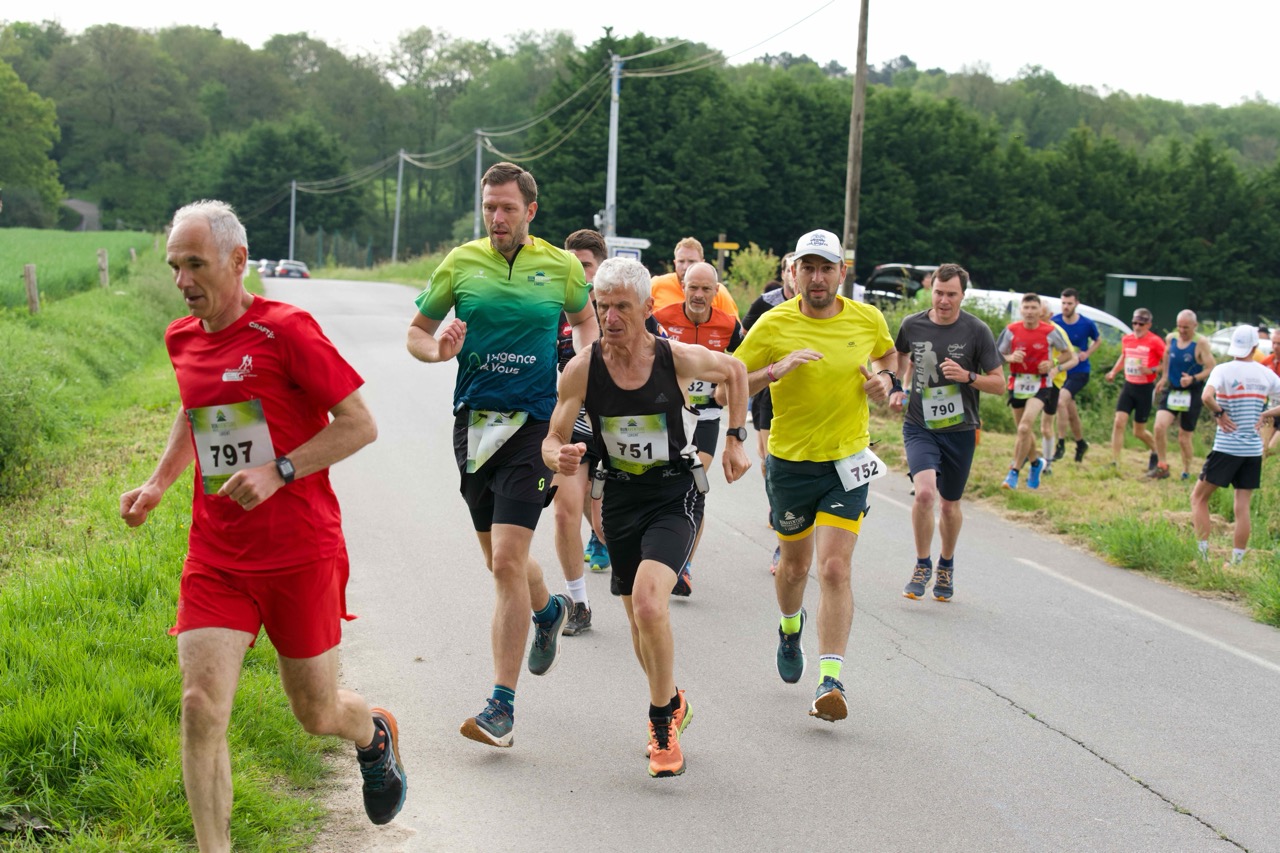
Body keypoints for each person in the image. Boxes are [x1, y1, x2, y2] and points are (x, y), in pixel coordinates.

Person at [119, 200, 405, 852]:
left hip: (299, 550)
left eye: (196, 264)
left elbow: (360, 425)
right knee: (200, 706)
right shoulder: (182, 337)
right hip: (217, 555)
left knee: (316, 711)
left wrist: (281, 469)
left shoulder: (286, 330)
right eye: (174, 266)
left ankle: (373, 733)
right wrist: (159, 483)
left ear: (237, 260)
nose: (183, 280)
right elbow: (195, 409)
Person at [406, 162, 597, 748]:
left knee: (509, 561)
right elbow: (417, 332)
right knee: (500, 563)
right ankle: (547, 612)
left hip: (536, 427)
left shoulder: (561, 266)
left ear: (530, 211)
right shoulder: (460, 262)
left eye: (507, 207)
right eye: (489, 206)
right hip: (475, 426)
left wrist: (578, 372)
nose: (496, 217)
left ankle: (501, 707)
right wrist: (438, 351)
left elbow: (586, 324)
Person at [544, 257, 750, 777]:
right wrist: (557, 456)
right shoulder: (582, 368)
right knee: (638, 622)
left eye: (622, 307)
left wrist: (735, 438)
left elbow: (735, 370)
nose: (610, 318)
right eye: (602, 307)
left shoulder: (673, 357)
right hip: (619, 497)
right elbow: (553, 436)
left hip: (674, 493)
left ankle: (661, 725)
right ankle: (672, 700)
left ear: (646, 307)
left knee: (650, 603)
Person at [732, 229, 897, 723]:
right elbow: (728, 386)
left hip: (847, 462)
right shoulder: (773, 323)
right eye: (808, 267)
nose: (818, 277)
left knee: (834, 569)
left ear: (842, 273)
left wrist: (886, 379)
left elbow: (887, 355)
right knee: (794, 568)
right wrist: (774, 371)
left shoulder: (867, 318)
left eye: (827, 268)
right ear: (794, 272)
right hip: (790, 464)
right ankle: (789, 627)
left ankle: (830, 680)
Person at [890, 264, 1005, 601]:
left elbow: (999, 384)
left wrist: (969, 377)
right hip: (919, 425)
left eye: (951, 295)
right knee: (925, 494)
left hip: (960, 429)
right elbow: (899, 354)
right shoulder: (912, 324)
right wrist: (897, 387)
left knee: (950, 505)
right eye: (938, 293)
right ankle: (922, 564)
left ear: (962, 295)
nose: (943, 300)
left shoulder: (977, 330)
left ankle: (946, 564)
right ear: (931, 290)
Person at [652, 261, 745, 595]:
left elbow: (743, 369)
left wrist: (735, 426)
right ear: (683, 287)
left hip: (706, 417)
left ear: (716, 292)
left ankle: (684, 565)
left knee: (693, 483)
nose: (699, 295)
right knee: (660, 485)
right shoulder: (662, 318)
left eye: (706, 289)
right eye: (693, 287)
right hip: (668, 416)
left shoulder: (729, 325)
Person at [551, 229, 609, 634]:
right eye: (570, 265)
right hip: (573, 427)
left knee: (605, 523)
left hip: (619, 431)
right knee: (563, 512)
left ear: (600, 268)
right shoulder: (554, 312)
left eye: (585, 265)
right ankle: (579, 604)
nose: (578, 273)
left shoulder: (625, 305)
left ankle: (641, 589)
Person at [1191, 326, 1280, 567]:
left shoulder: (1222, 370)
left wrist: (1219, 412)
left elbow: (1206, 397)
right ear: (1254, 347)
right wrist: (1266, 413)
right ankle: (1236, 562)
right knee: (1242, 507)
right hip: (1252, 450)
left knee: (1198, 498)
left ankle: (1203, 558)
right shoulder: (1265, 373)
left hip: (1227, 447)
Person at [742, 253, 796, 572]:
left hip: (800, 396)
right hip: (768, 389)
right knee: (768, 458)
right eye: (790, 269)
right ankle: (777, 504)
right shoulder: (766, 303)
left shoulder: (822, 309)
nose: (794, 274)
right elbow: (745, 337)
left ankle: (784, 523)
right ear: (786, 272)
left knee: (785, 461)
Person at [996, 294, 1075, 490]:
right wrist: (1010, 358)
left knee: (1024, 428)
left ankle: (1014, 472)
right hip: (1017, 383)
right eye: (1026, 308)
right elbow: (995, 355)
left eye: (1034, 308)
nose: (1030, 312)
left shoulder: (1050, 331)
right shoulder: (1011, 330)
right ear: (1021, 310)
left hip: (1041, 384)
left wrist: (1053, 362)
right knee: (1023, 430)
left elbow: (1067, 354)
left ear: (1041, 311)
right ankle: (1035, 463)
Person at [1150, 310, 1215, 480]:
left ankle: (1186, 471)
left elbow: (1211, 367)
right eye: (1179, 326)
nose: (1182, 331)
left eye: (1186, 327)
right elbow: (1166, 357)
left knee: (1183, 437)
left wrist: (1193, 378)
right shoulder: (1171, 339)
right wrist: (1164, 377)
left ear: (1195, 326)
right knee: (1159, 427)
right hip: (1173, 389)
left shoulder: (1201, 343)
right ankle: (1162, 466)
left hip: (1192, 392)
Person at [1105, 307, 1165, 472]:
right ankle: (1115, 461)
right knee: (1119, 422)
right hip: (1129, 385)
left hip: (1145, 388)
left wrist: (1152, 370)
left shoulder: (1155, 341)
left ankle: (1156, 450)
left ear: (1149, 325)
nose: (1137, 327)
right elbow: (1124, 356)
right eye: (1134, 323)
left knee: (1139, 432)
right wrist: (1113, 372)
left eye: (1141, 324)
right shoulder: (1127, 339)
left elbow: (1166, 362)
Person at [1051, 288, 1100, 463]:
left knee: (1060, 402)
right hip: (1061, 372)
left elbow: (1098, 340)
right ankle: (1080, 443)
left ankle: (1060, 443)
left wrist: (1087, 353)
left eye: (1069, 303)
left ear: (1077, 304)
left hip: (1079, 371)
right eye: (1063, 303)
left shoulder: (1086, 323)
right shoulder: (1055, 322)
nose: (1066, 306)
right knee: (1070, 410)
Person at [649, 236, 739, 315]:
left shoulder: (718, 292)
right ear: (675, 263)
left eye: (692, 261)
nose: (686, 266)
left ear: (702, 262)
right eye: (681, 261)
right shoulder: (656, 285)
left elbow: (733, 326)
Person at [1261, 327, 1280, 455]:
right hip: (1271, 410)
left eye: (1279, 343)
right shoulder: (1266, 362)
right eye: (1274, 343)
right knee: (1263, 450)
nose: (1276, 347)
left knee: (1273, 449)